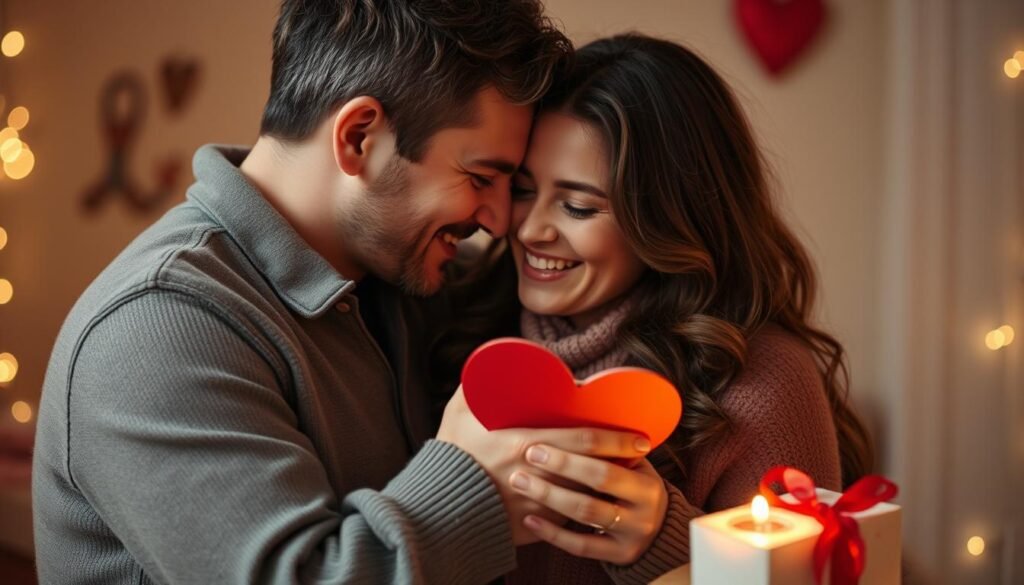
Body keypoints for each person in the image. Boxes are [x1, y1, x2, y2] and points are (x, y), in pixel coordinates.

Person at [32, 3, 655, 583]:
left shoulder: (408, 273)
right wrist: (470, 485)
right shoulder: (153, 328)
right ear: (360, 137)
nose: (499, 220)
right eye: (479, 176)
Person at [431, 34, 875, 584]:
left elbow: (806, 579)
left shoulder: (759, 381)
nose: (530, 229)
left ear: (665, 218)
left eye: (577, 206)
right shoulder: (453, 316)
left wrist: (669, 541)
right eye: (522, 190)